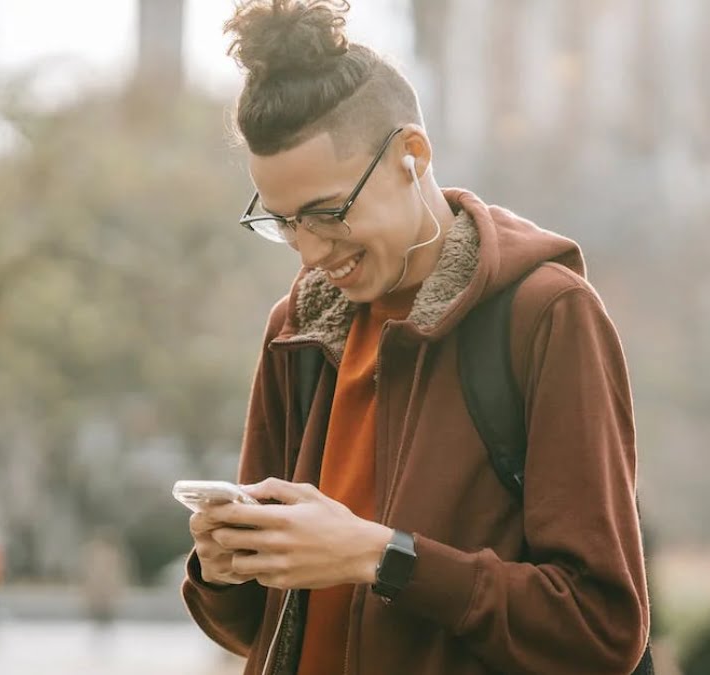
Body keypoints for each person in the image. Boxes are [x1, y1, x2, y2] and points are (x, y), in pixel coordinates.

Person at [181, 2, 650, 673]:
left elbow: (598, 627)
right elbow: (253, 627)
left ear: (411, 155)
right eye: (283, 222)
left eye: (327, 213)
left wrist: (381, 556)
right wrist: (225, 566)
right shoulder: (297, 329)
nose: (309, 252)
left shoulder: (546, 314)